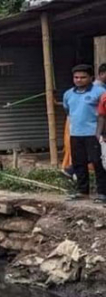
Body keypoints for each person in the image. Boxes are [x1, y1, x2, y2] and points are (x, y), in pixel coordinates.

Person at [63, 64, 106, 202]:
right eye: (76, 77)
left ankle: (102, 193)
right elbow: (68, 111)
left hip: (93, 134)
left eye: (83, 77)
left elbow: (103, 114)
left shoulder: (100, 92)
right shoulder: (68, 94)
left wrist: (100, 133)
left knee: (98, 163)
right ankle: (83, 191)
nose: (79, 80)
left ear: (91, 78)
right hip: (75, 133)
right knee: (79, 163)